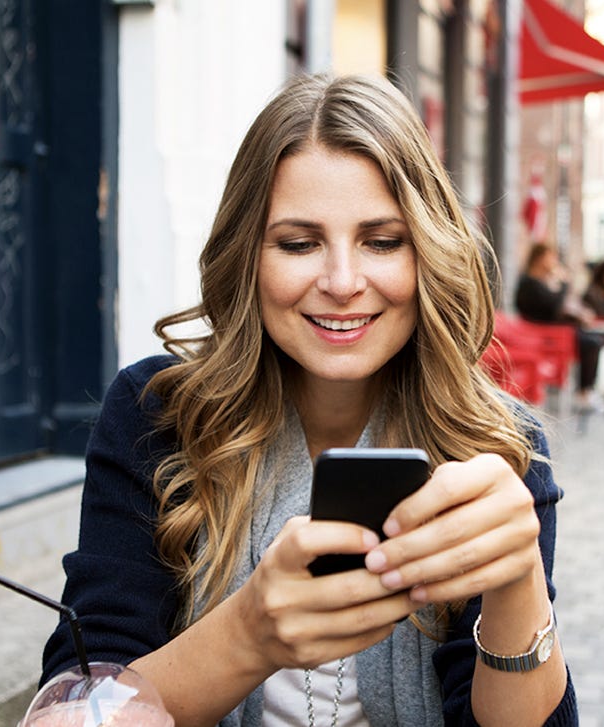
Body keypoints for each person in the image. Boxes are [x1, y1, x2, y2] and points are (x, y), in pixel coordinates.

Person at [40, 74, 576, 726]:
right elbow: (82, 699)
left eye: (382, 241)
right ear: (248, 255)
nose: (343, 282)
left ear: (428, 251)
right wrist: (249, 635)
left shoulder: (496, 446)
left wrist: (516, 584)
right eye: (299, 243)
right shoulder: (157, 417)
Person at [514, 242, 604, 413]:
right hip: (543, 335)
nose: (554, 261)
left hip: (552, 331)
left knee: (593, 338)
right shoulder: (529, 282)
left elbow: (555, 307)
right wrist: (564, 284)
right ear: (540, 258)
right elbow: (552, 306)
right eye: (551, 256)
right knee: (591, 342)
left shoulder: (543, 281)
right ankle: (584, 391)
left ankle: (587, 389)